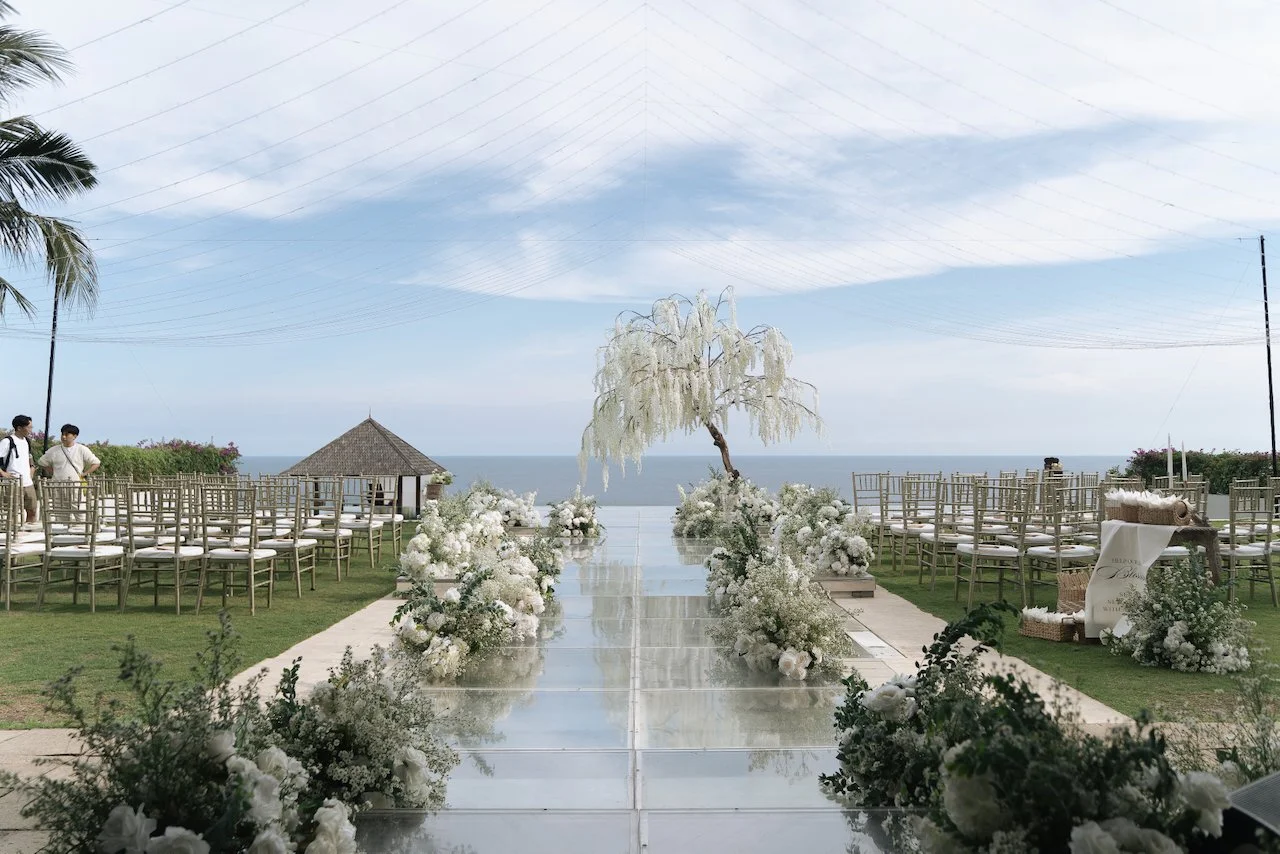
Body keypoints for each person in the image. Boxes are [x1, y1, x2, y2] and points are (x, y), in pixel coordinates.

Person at [1, 415, 37, 524]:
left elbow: (29, 456)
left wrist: (32, 468)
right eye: (29, 427)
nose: (30, 430)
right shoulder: (7, 441)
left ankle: (28, 530)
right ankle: (12, 532)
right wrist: (3, 473)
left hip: (27, 482)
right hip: (13, 482)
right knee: (13, 512)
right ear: (19, 428)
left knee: (32, 510)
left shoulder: (27, 441)